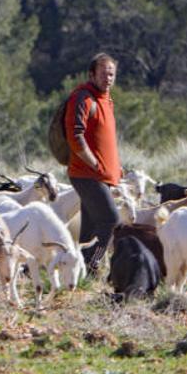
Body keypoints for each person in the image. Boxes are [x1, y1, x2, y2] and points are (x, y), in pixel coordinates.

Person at [64, 53, 121, 270]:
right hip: (86, 174)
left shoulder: (107, 101)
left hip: (102, 174)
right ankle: (91, 265)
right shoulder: (83, 97)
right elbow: (75, 135)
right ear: (91, 74)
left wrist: (115, 167)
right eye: (104, 73)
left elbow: (105, 139)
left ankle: (75, 268)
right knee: (110, 221)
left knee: (89, 230)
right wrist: (93, 163)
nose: (108, 78)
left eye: (112, 74)